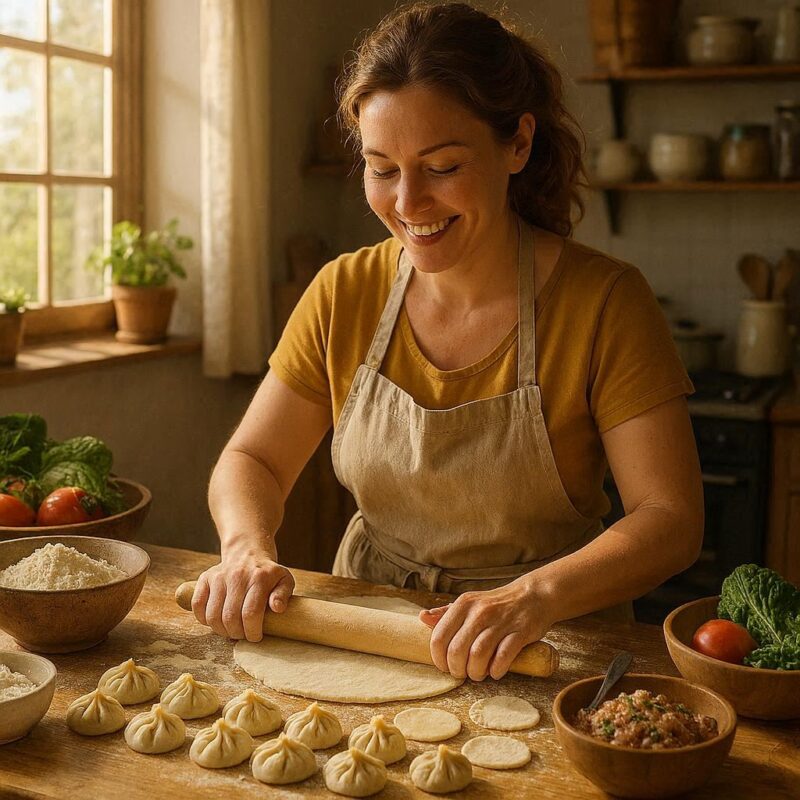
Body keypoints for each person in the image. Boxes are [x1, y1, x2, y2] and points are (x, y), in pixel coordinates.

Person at [192, 2, 704, 682]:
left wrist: (533, 596)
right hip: (372, 634)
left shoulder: (604, 302)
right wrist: (245, 547)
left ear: (517, 144)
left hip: (546, 647)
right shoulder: (343, 292)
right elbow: (252, 457)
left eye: (441, 167)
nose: (408, 202)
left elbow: (670, 517)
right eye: (382, 168)